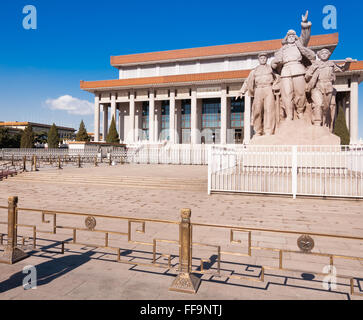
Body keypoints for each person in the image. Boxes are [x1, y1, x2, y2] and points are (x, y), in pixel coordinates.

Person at [271, 11, 316, 121]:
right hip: (286, 72)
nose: (291, 37)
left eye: (293, 35)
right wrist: (275, 63)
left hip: (298, 70)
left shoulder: (300, 45)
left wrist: (304, 23)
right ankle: (289, 114)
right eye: (289, 36)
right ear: (286, 38)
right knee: (286, 94)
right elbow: (274, 63)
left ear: (295, 37)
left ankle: (300, 111)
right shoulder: (282, 50)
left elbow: (305, 36)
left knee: (300, 92)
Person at [305, 49, 352, 130]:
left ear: (329, 55)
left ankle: (324, 123)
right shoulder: (315, 64)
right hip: (317, 86)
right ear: (319, 55)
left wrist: (348, 63)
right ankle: (317, 122)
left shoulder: (331, 65)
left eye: (326, 53)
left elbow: (343, 69)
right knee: (318, 104)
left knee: (326, 108)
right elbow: (307, 76)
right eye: (322, 53)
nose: (324, 54)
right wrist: (313, 69)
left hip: (328, 87)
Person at [237, 52, 277, 136]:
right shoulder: (254, 71)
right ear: (258, 59)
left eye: (264, 58)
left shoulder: (271, 69)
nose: (263, 59)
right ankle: (258, 131)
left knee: (269, 110)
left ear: (267, 59)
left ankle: (268, 130)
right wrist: (241, 91)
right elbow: (247, 81)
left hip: (268, 88)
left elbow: (278, 78)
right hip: (258, 90)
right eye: (261, 58)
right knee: (257, 110)